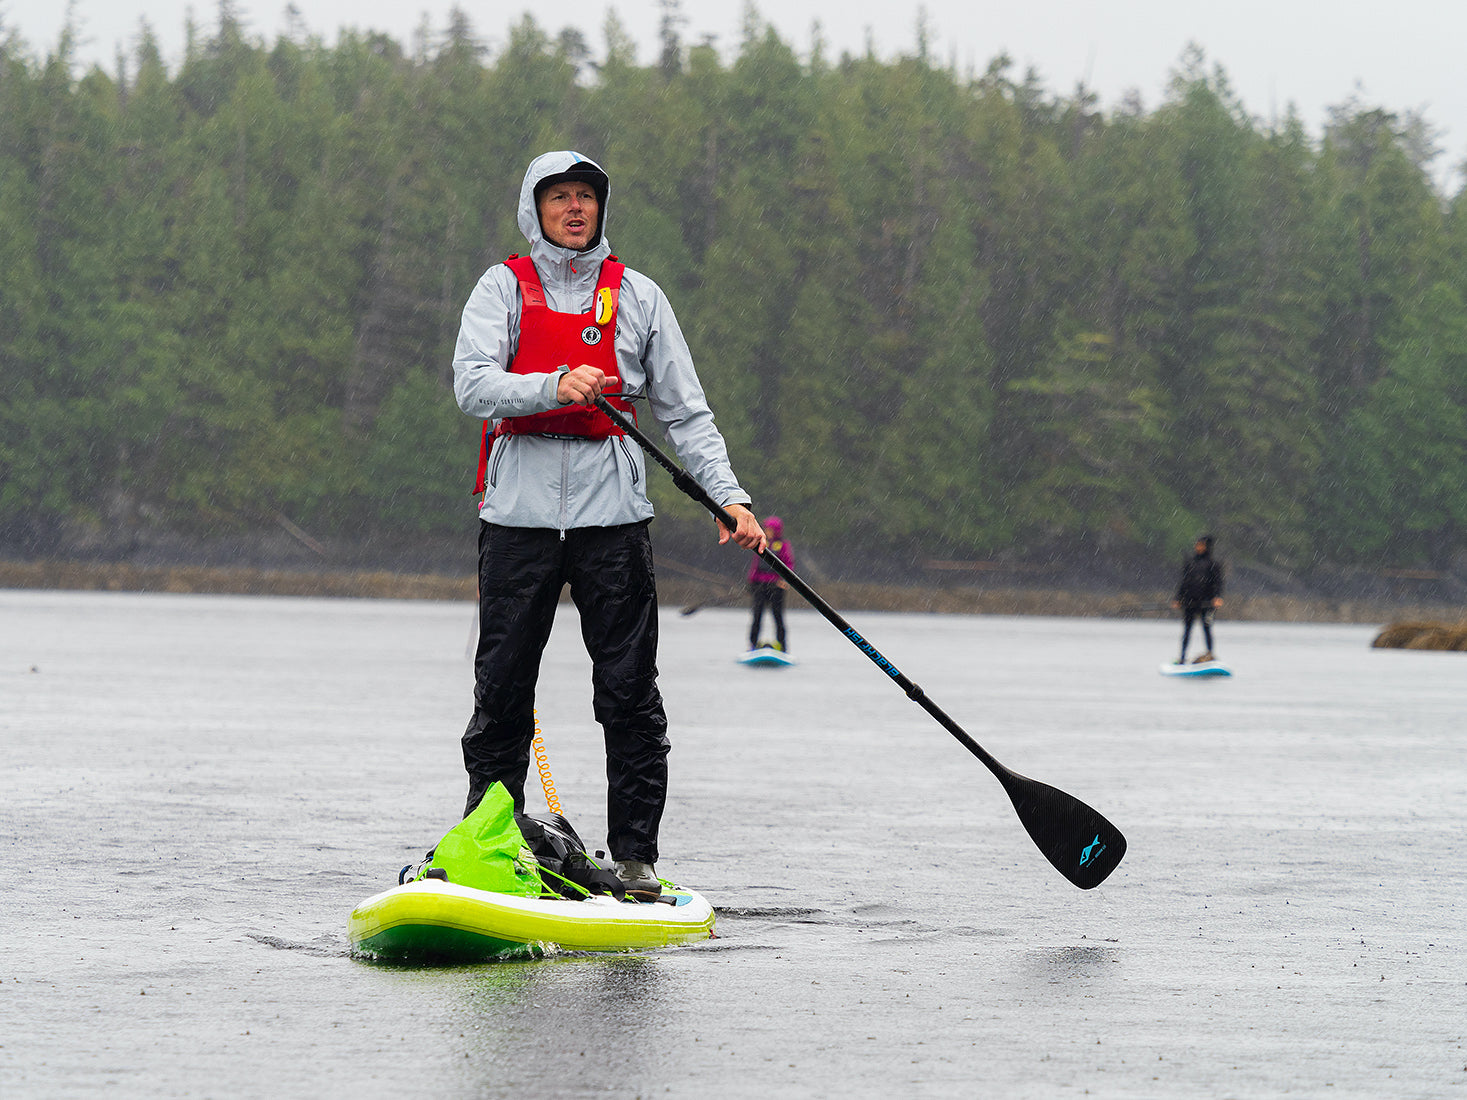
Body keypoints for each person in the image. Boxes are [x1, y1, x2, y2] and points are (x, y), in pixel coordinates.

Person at [452, 150, 765, 900]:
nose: (573, 208)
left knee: (628, 694)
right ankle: (486, 842)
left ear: (600, 209)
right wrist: (553, 385)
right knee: (500, 690)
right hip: (518, 521)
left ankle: (634, 860)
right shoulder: (502, 288)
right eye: (558, 197)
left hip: (613, 525)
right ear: (536, 209)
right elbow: (471, 383)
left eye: (585, 198)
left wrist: (729, 496)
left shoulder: (640, 299)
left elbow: (685, 412)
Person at [1171, 534, 1224, 664]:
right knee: (1187, 630)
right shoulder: (1190, 562)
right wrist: (1178, 598)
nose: (1198, 547)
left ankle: (1210, 654)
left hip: (1206, 602)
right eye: (1197, 545)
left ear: (1207, 547)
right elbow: (1184, 582)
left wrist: (1217, 597)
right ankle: (1182, 657)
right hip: (1190, 602)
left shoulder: (1213, 564)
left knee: (1207, 628)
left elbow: (1217, 583)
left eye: (1200, 545)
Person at [748, 515, 794, 652]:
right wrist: (751, 583)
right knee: (757, 616)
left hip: (776, 587)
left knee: (778, 617)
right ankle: (752, 645)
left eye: (769, 528)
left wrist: (784, 580)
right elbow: (755, 566)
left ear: (776, 530)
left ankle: (783, 647)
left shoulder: (784, 545)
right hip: (760, 586)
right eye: (766, 528)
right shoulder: (761, 543)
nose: (766, 530)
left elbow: (789, 564)